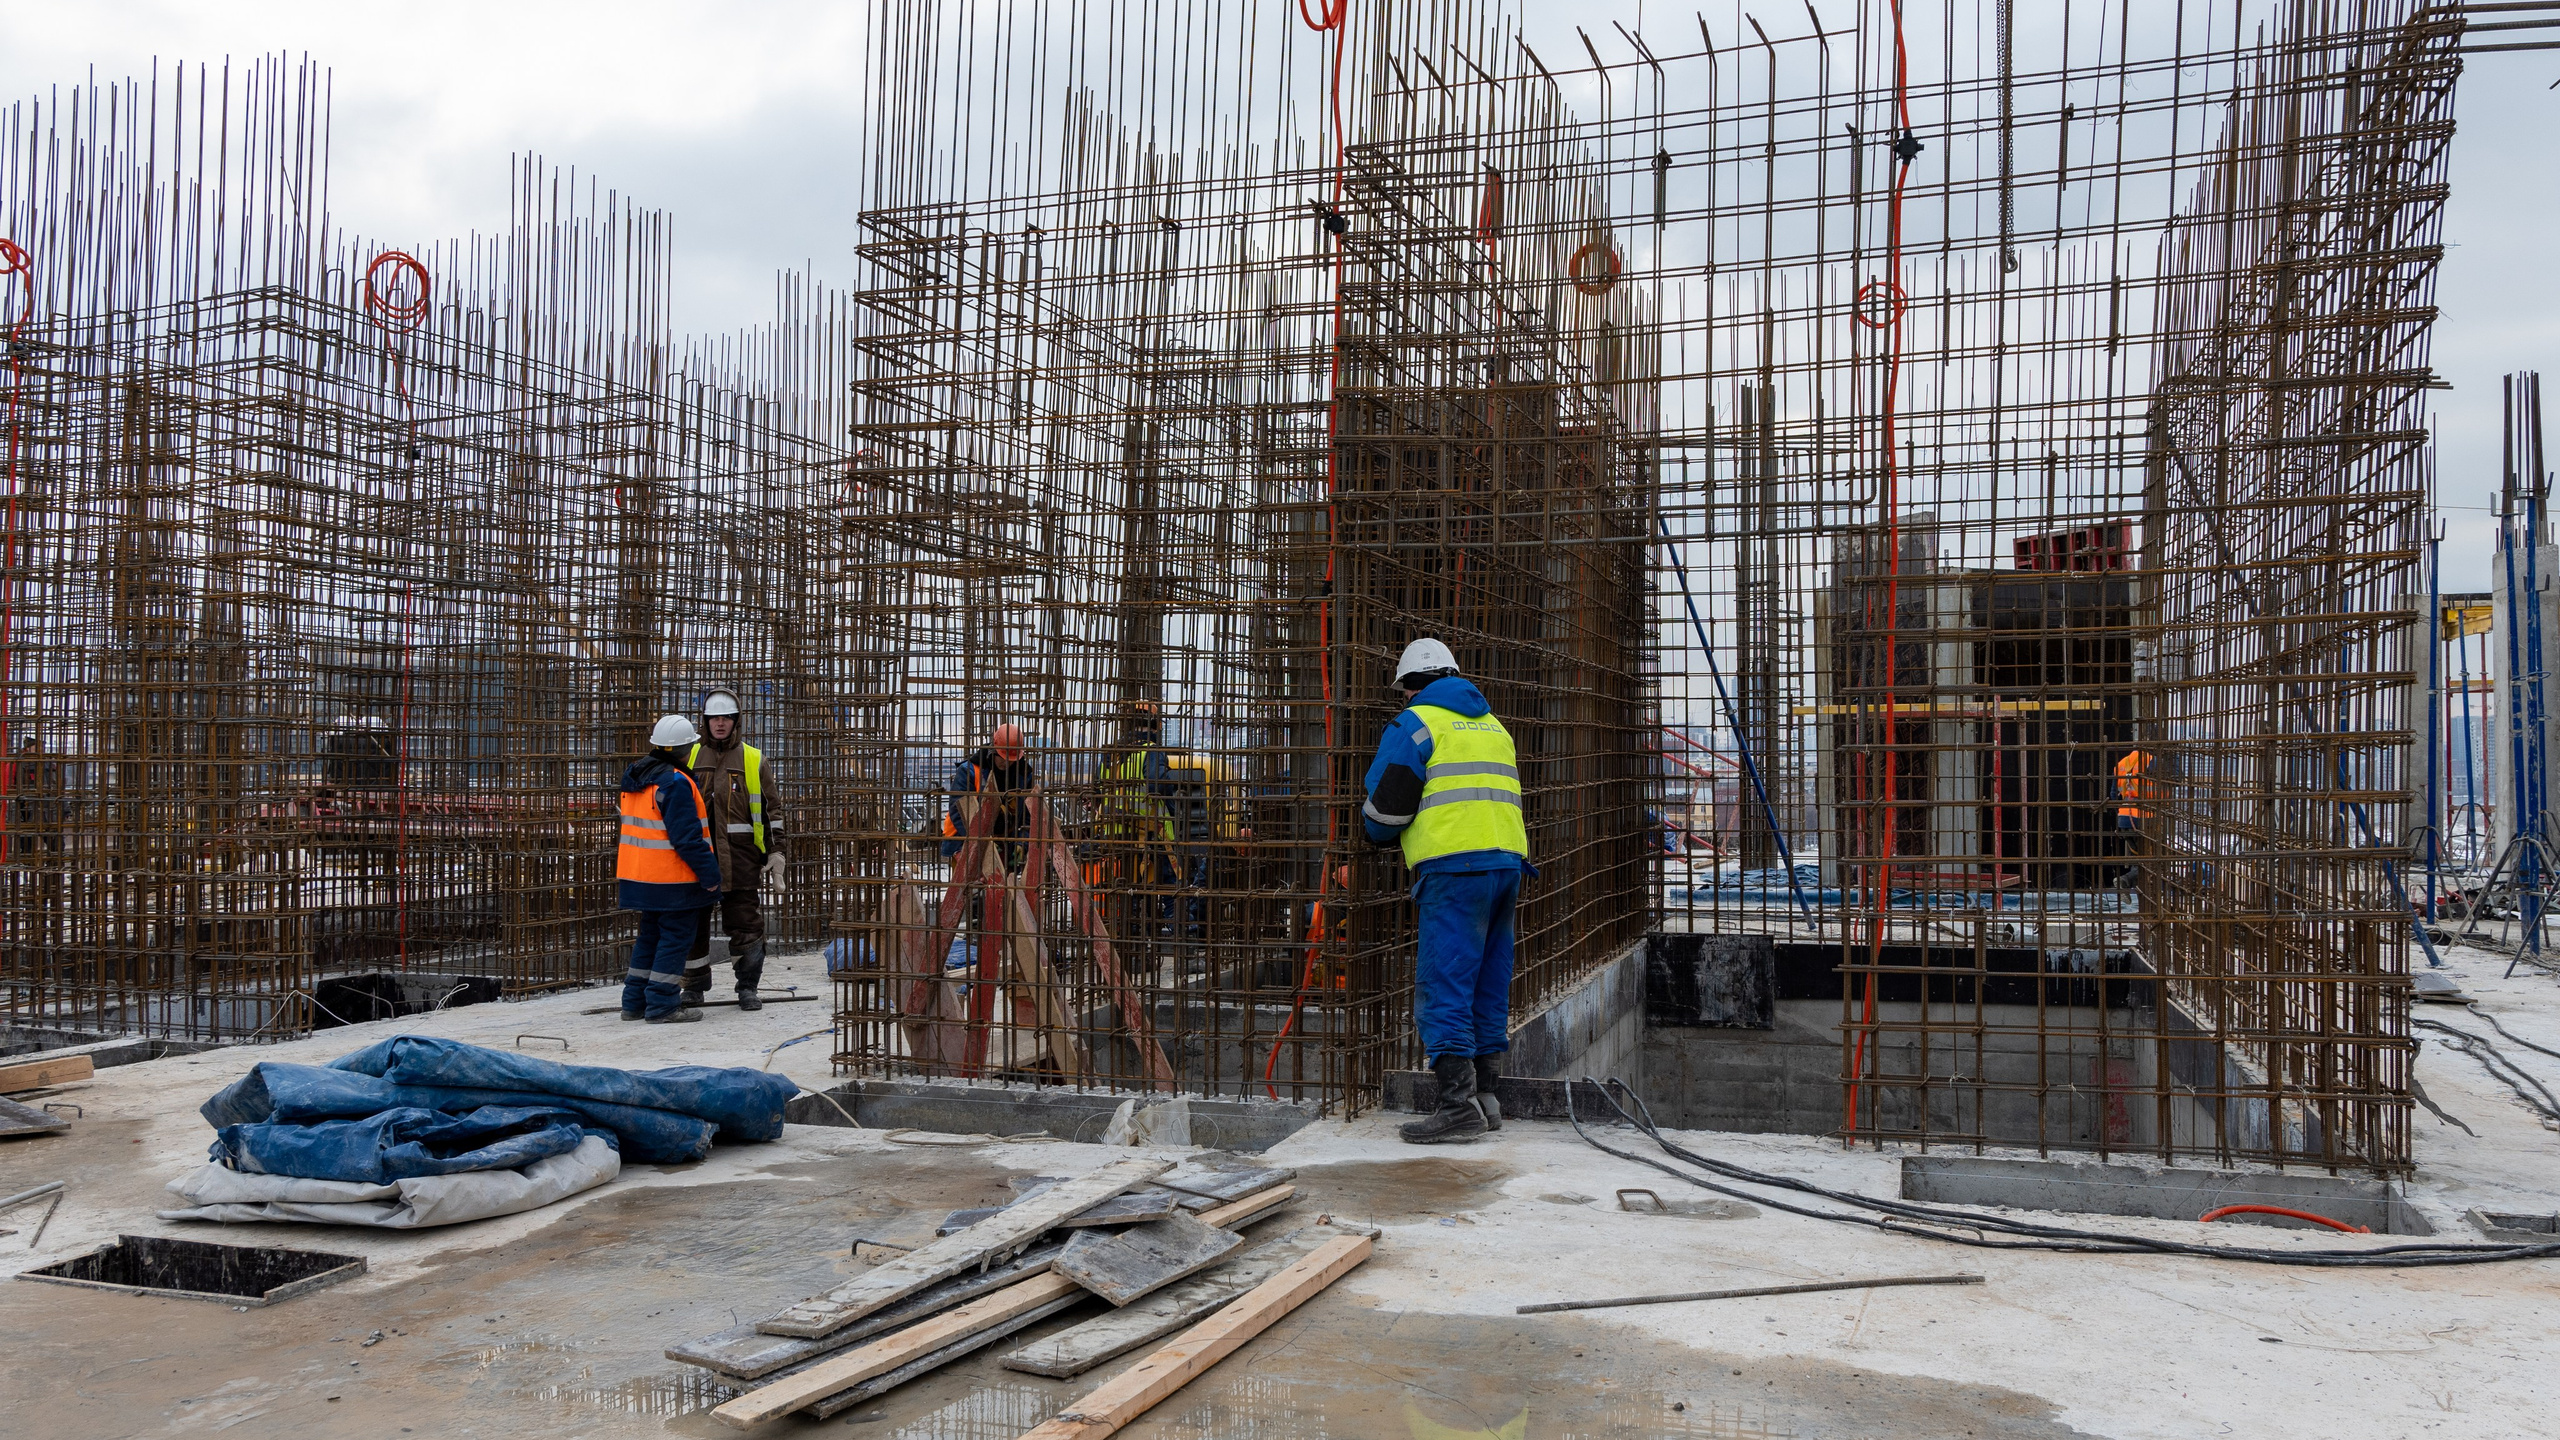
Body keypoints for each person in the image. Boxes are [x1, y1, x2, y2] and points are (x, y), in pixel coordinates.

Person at [1360, 638, 1531, 1144]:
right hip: (1507, 864)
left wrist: (1371, 834)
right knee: (1487, 982)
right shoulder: (1493, 725)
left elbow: (1385, 813)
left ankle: (1457, 1107)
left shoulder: (1416, 723)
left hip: (1456, 869)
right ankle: (1485, 1098)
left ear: (1410, 686)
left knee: (1446, 984)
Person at [681, 687, 787, 1011]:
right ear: (705, 721)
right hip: (696, 860)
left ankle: (748, 987)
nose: (720, 723)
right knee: (692, 927)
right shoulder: (689, 757)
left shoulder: (754, 760)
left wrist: (777, 851)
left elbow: (772, 811)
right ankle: (693, 988)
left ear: (736, 721)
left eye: (726, 717)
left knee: (746, 926)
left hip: (741, 860)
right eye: (714, 718)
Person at [617, 715, 723, 1023]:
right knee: (674, 940)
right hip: (674, 881)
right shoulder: (675, 782)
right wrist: (711, 876)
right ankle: (662, 1005)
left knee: (649, 938)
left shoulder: (637, 776)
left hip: (640, 877)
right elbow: (687, 839)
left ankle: (634, 1003)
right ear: (686, 749)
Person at [943, 722, 1035, 873]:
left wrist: (1021, 843)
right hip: (965, 841)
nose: (1006, 763)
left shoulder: (1023, 776)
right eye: (1002, 757)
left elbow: (1028, 815)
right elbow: (958, 811)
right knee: (970, 885)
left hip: (1004, 843)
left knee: (1001, 885)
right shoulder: (969, 771)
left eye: (1011, 759)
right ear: (993, 750)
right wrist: (982, 842)